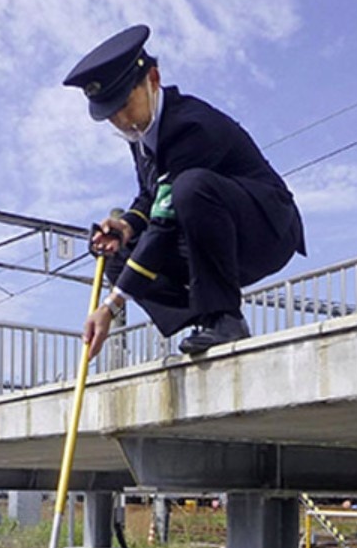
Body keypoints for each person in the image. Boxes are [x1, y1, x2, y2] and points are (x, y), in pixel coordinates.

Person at [62, 24, 305, 357]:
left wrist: (111, 305)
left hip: (264, 232)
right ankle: (207, 316)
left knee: (191, 188)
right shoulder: (141, 133)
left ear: (153, 79)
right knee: (115, 253)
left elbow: (164, 221)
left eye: (125, 105)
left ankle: (226, 319)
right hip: (209, 237)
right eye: (111, 115)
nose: (121, 121)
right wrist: (128, 225)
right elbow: (150, 197)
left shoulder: (190, 126)